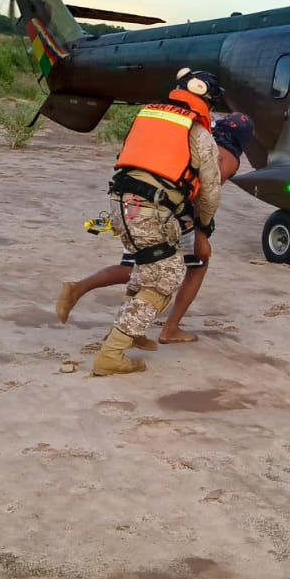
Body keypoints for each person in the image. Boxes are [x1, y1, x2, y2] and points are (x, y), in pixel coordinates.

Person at [56, 112, 253, 347]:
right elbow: (205, 194)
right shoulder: (228, 157)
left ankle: (82, 291)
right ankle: (169, 328)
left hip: (140, 203)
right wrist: (200, 230)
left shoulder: (191, 137)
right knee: (197, 264)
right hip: (176, 213)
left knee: (134, 265)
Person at [84, 69, 223, 376]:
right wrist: (204, 224)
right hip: (152, 210)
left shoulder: (148, 115)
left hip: (120, 202)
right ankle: (112, 353)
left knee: (146, 268)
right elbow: (210, 190)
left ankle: (128, 333)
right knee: (165, 278)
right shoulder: (198, 134)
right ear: (206, 99)